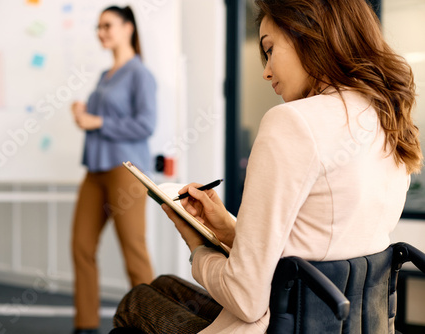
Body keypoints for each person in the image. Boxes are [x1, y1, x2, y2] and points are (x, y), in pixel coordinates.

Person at [111, 0, 423, 332]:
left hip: (276, 324)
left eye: (270, 49)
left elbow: (246, 299)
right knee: (163, 286)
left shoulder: (292, 122)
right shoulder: (387, 120)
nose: (266, 71)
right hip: (350, 323)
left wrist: (197, 246)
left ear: (310, 33)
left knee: (137, 300)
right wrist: (228, 231)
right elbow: (314, 243)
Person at [70, 5, 156, 334]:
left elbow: (146, 125)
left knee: (134, 251)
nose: (101, 32)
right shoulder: (104, 75)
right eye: (98, 27)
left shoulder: (140, 74)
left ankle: (151, 325)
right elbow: (100, 119)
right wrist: (82, 112)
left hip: (125, 171)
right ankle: (85, 325)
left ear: (127, 28)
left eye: (107, 25)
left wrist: (97, 120)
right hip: (95, 169)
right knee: (81, 245)